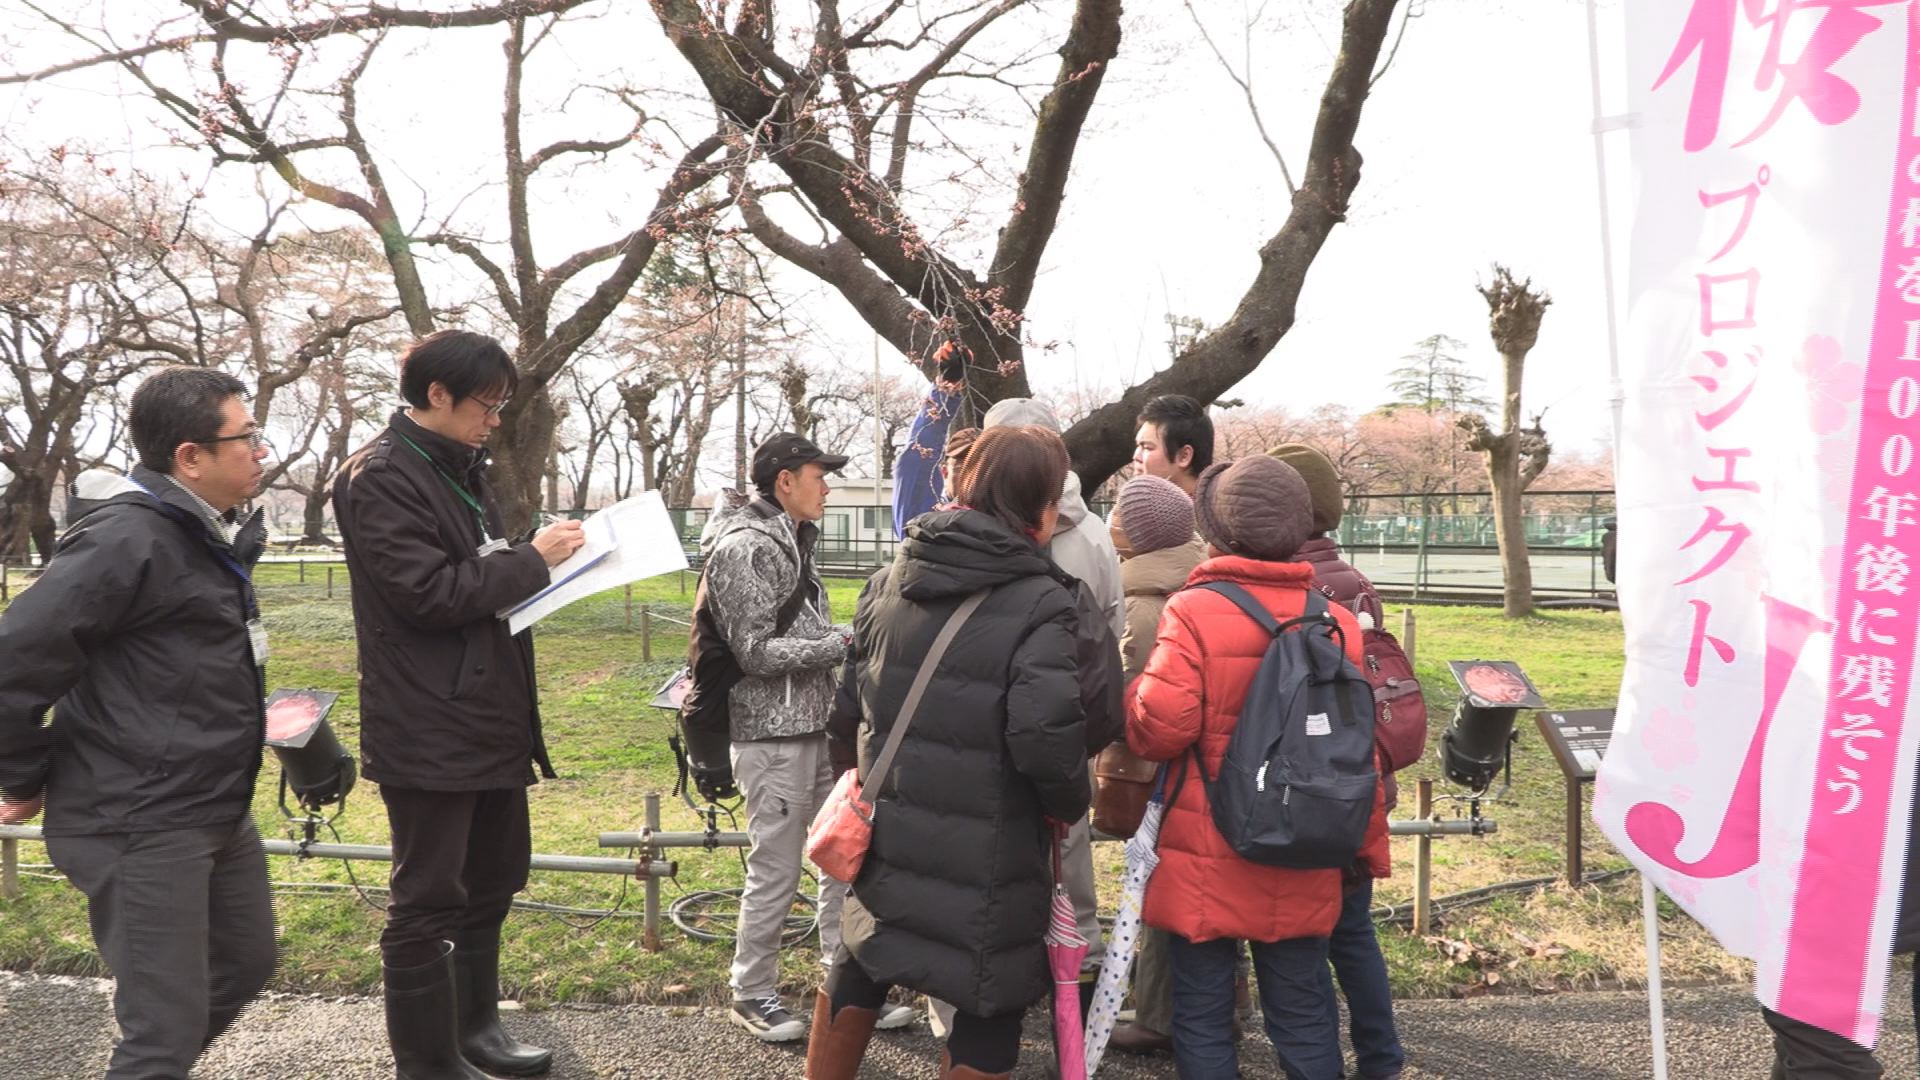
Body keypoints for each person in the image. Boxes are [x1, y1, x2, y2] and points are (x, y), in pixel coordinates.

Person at [807, 425, 1124, 1080]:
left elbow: (845, 714)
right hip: (994, 847)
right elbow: (1047, 739)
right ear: (1042, 506)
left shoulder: (886, 583)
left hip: (891, 829)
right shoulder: (1044, 602)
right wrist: (1069, 804)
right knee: (988, 997)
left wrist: (869, 784)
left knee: (863, 959)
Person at [0, 367, 276, 1079]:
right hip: (139, 816)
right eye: (246, 437)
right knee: (162, 1031)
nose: (262, 451)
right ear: (190, 456)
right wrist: (24, 777)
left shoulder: (207, 532)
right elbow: (13, 663)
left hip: (213, 805)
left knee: (246, 964)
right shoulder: (127, 540)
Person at [333, 330, 586, 1080]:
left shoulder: (456, 469)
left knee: (492, 880)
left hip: (485, 714)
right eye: (487, 404)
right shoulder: (380, 475)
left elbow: (471, 571)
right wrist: (530, 561)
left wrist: (529, 561)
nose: (495, 420)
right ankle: (427, 1062)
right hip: (429, 723)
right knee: (429, 898)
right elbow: (428, 594)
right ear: (435, 394)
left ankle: (475, 1033)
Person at [1127, 455, 1390, 1080]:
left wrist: (1132, 693)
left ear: (1215, 530)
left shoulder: (1193, 610)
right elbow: (1357, 743)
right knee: (1301, 1009)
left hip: (1208, 842)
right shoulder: (1337, 621)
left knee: (1203, 1010)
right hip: (1305, 840)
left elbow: (1160, 728)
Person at [690, 431, 915, 1042]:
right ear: (784, 480)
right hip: (771, 735)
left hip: (812, 726)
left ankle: (842, 983)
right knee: (776, 867)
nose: (828, 486)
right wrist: (841, 644)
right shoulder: (745, 547)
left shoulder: (791, 538)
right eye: (820, 474)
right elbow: (755, 651)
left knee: (840, 859)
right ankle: (753, 991)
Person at [980, 397, 1124, 1013]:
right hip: (1069, 716)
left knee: (994, 844)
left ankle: (999, 974)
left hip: (987, 715)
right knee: (1068, 839)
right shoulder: (1092, 530)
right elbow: (1111, 626)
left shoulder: (977, 525)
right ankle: (1080, 962)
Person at [1270, 442, 1404, 1080]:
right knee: (1355, 932)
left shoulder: (1297, 587)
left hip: (1320, 786)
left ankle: (1321, 1061)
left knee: (1309, 940)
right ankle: (1382, 1058)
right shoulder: (1355, 579)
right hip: (1369, 779)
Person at [1105, 475, 1207, 1057]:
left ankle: (1160, 1015)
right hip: (1208, 769)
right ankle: (1215, 1003)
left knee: (1161, 887)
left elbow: (1139, 701)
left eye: (1119, 516)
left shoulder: (1145, 604)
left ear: (1138, 534)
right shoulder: (1195, 575)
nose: (1111, 524)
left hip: (1162, 773)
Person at [1115, 393, 1213, 564]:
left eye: (1147, 447)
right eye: (1138, 446)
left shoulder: (1217, 527)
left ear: (1184, 456)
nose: (1135, 456)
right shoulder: (1129, 515)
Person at [891, 343, 970, 538]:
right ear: (945, 471)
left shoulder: (1006, 519)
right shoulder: (926, 519)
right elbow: (916, 459)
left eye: (980, 467)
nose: (971, 477)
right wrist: (946, 387)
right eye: (961, 466)